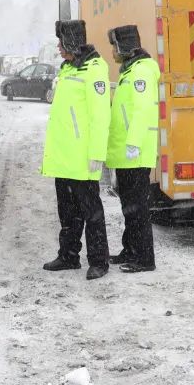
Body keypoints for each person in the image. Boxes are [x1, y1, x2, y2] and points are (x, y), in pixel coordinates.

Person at [40, 20, 111, 280]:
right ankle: (69, 256)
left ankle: (99, 261)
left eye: (61, 43)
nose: (58, 48)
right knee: (67, 213)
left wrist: (97, 154)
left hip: (82, 159)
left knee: (91, 213)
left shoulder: (94, 69)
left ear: (71, 43)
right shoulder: (69, 68)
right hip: (64, 158)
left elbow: (100, 116)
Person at [105, 25, 161, 273]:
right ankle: (130, 249)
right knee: (129, 208)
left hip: (135, 154)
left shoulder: (141, 72)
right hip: (126, 154)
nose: (112, 53)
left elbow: (142, 110)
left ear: (124, 47)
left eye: (114, 47)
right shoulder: (130, 71)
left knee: (138, 209)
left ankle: (145, 259)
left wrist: (133, 143)